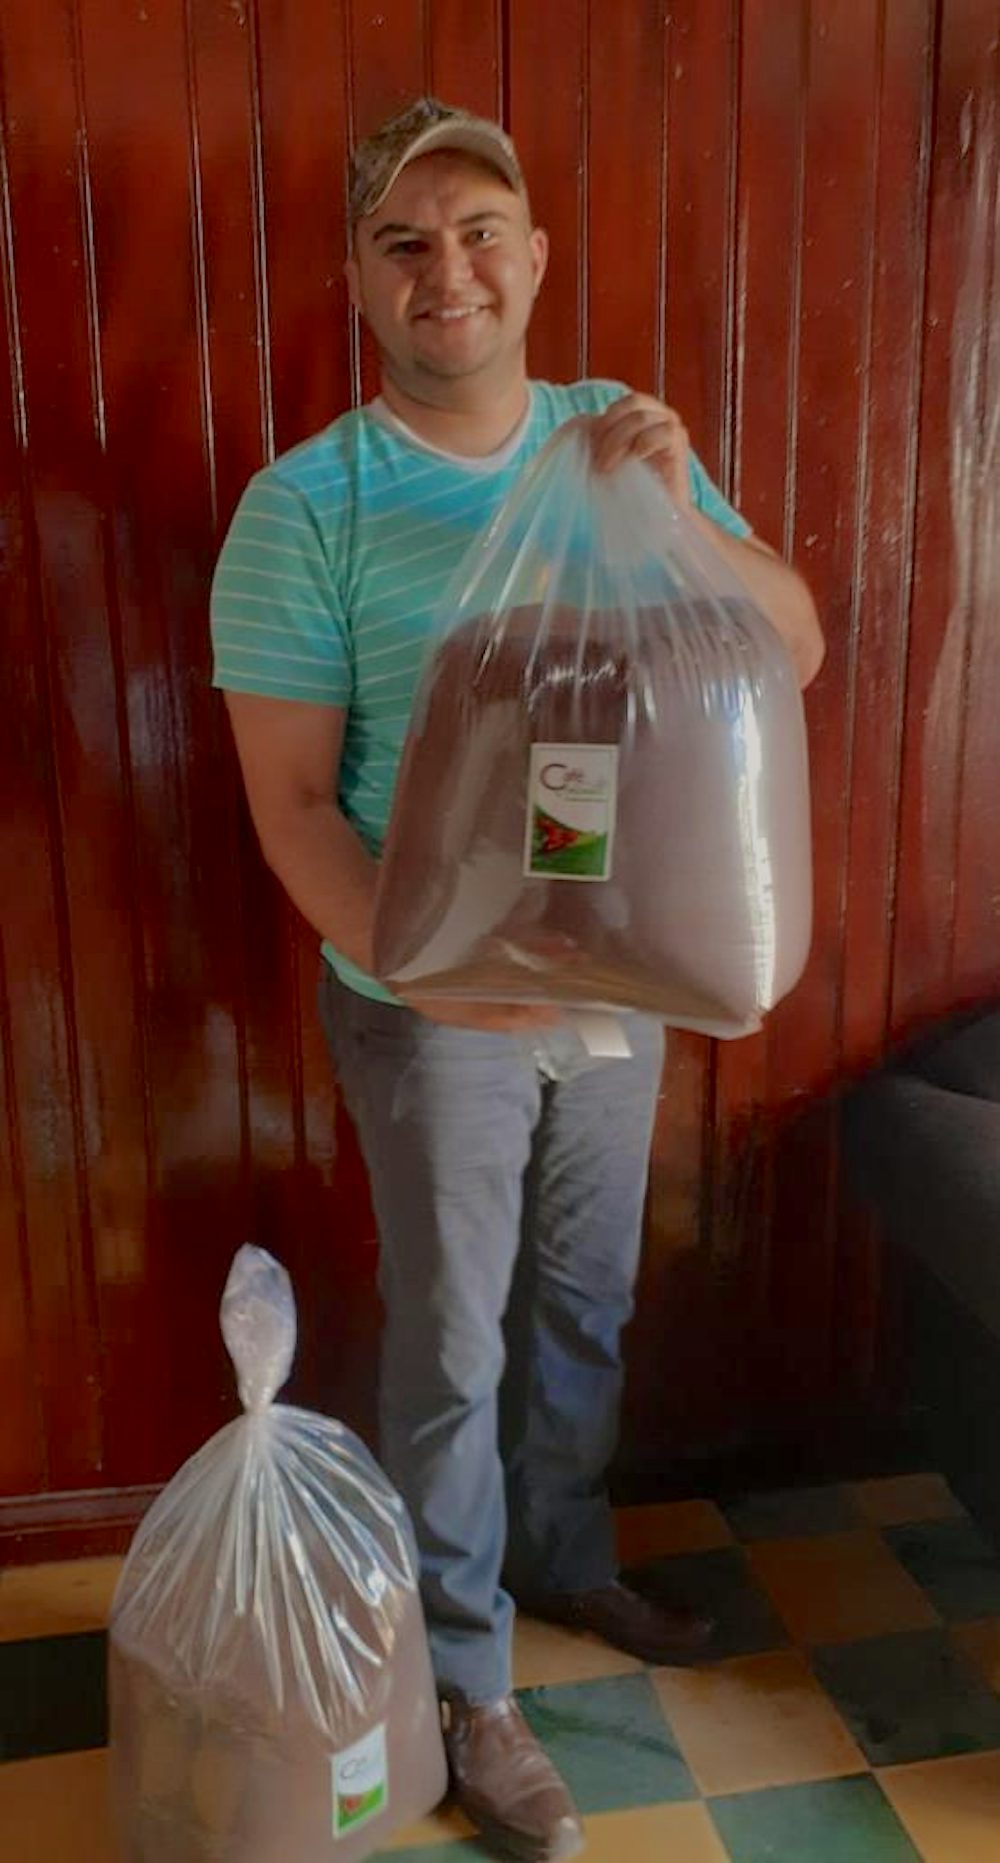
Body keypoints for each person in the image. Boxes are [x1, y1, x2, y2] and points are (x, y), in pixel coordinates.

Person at [211, 96, 824, 1863]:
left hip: (624, 981)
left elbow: (786, 642)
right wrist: (425, 976)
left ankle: (565, 1563)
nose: (447, 269)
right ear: (358, 283)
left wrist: (672, 507)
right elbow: (291, 808)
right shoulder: (305, 507)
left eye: (479, 229)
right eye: (404, 241)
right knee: (453, 1345)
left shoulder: (615, 444)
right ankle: (465, 1678)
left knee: (585, 1303)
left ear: (536, 258)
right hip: (433, 1006)